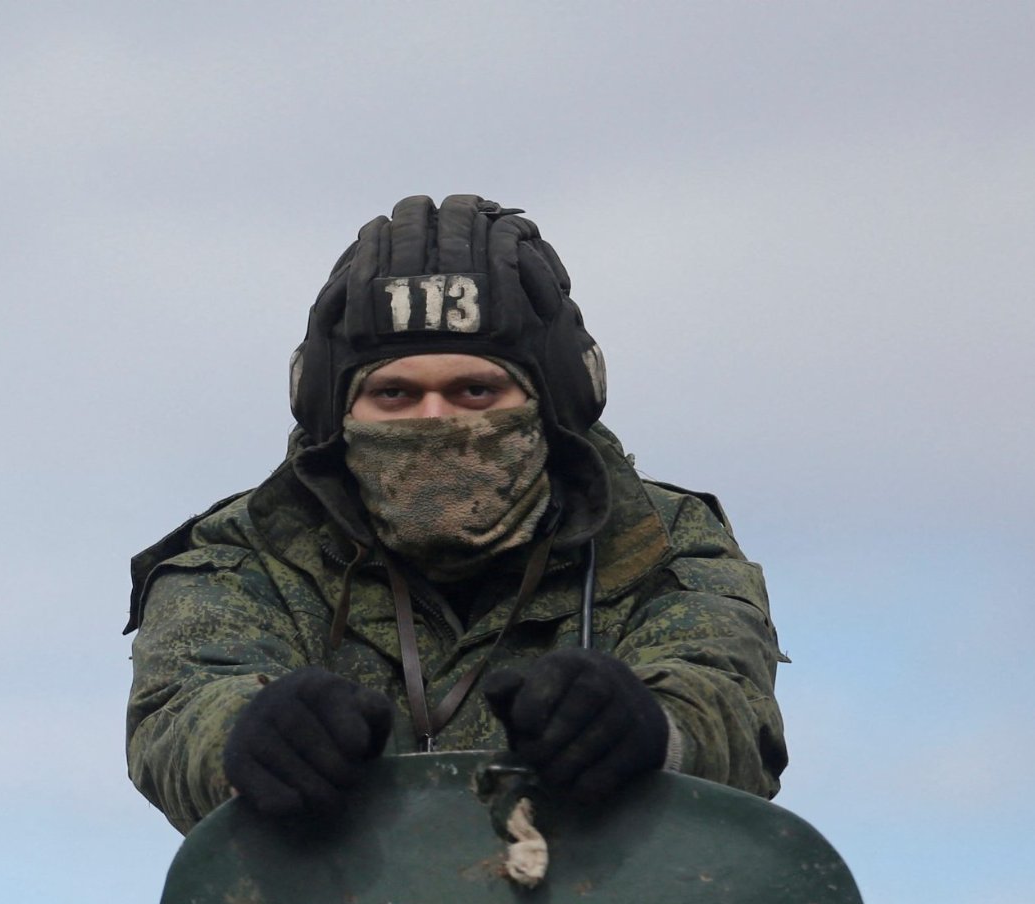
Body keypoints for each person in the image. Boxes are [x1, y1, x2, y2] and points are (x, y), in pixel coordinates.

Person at [125, 194, 787, 832]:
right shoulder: (245, 559)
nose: (435, 420)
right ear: (333, 413)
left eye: (476, 390)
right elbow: (180, 711)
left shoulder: (659, 544)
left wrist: (650, 730)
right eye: (394, 394)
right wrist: (248, 739)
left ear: (558, 404)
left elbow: (731, 705)